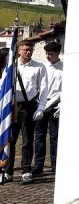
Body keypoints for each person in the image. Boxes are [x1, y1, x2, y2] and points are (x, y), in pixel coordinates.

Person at [29, 39, 63, 180]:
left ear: (58, 53)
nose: (48, 56)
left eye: (51, 54)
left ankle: (55, 164)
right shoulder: (43, 67)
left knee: (54, 136)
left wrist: (57, 102)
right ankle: (38, 164)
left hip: (55, 104)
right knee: (39, 135)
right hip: (41, 103)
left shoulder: (64, 69)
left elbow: (64, 89)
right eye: (47, 54)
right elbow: (38, 85)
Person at [15, 39, 48, 182]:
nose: (28, 52)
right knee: (10, 139)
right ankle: (6, 169)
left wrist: (41, 107)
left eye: (30, 50)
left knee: (27, 140)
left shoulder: (39, 67)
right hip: (13, 105)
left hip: (29, 106)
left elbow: (44, 88)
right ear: (19, 51)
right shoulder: (12, 66)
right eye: (25, 50)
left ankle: (26, 169)